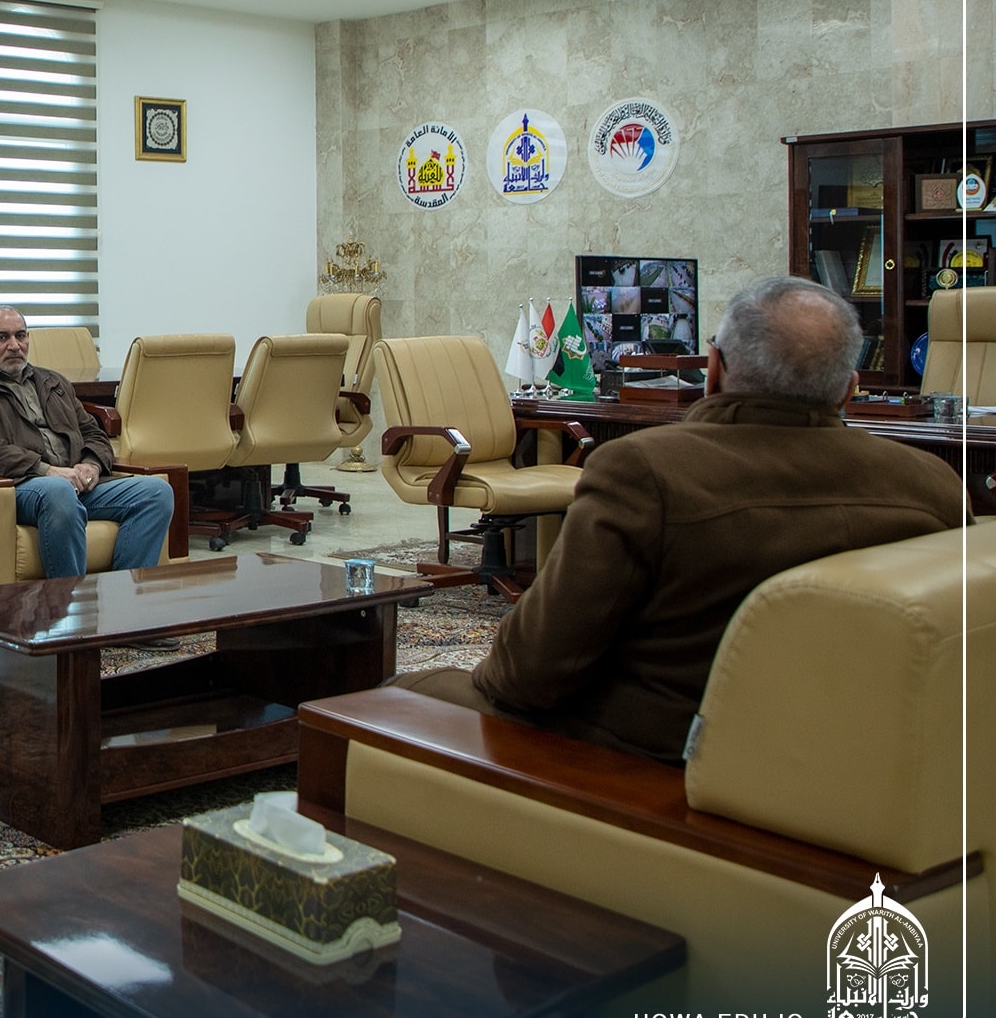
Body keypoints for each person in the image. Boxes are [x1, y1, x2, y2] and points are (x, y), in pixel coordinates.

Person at [398, 275, 968, 764]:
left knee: (406, 695)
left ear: (713, 369)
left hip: (664, 762)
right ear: (850, 388)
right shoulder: (935, 484)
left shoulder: (644, 471)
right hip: (860, 758)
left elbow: (526, 676)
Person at [0, 305, 175, 578]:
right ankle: (70, 599)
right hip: (20, 486)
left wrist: (92, 465)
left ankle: (123, 594)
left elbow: (94, 432)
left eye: (20, 336)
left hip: (76, 484)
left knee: (157, 491)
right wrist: (46, 470)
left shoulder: (52, 381)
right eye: (2, 337)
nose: (14, 345)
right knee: (58, 491)